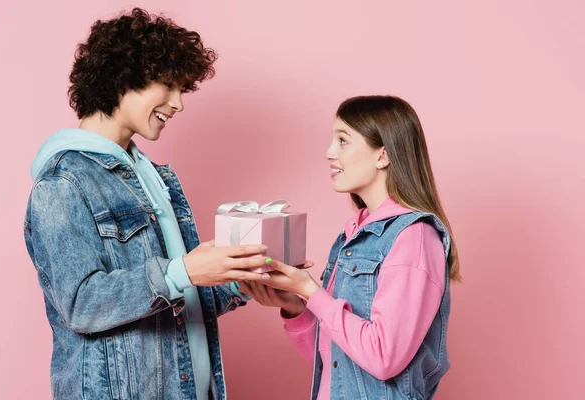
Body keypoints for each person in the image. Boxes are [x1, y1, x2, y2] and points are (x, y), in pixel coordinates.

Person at [23, 8, 272, 400]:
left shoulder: (152, 178)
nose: (178, 104)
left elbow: (178, 298)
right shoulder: (63, 182)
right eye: (168, 85)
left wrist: (243, 280)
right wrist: (184, 270)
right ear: (122, 78)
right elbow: (82, 304)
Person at [240, 95, 461, 400]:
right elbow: (337, 364)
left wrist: (312, 293)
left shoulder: (414, 237)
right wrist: (296, 308)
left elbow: (384, 358)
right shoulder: (353, 235)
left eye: (343, 141)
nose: (330, 152)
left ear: (382, 155)